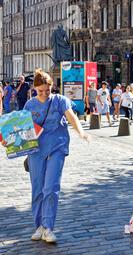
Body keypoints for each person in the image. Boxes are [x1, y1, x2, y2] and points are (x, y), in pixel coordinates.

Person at [22, 69, 90, 243]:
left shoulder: (60, 101)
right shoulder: (29, 105)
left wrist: (81, 132)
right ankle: (39, 226)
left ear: (52, 87)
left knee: (51, 188)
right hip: (36, 152)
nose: (44, 94)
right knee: (37, 188)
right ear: (34, 89)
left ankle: (49, 227)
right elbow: (22, 130)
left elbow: (71, 116)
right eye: (40, 91)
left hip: (57, 148)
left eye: (47, 90)